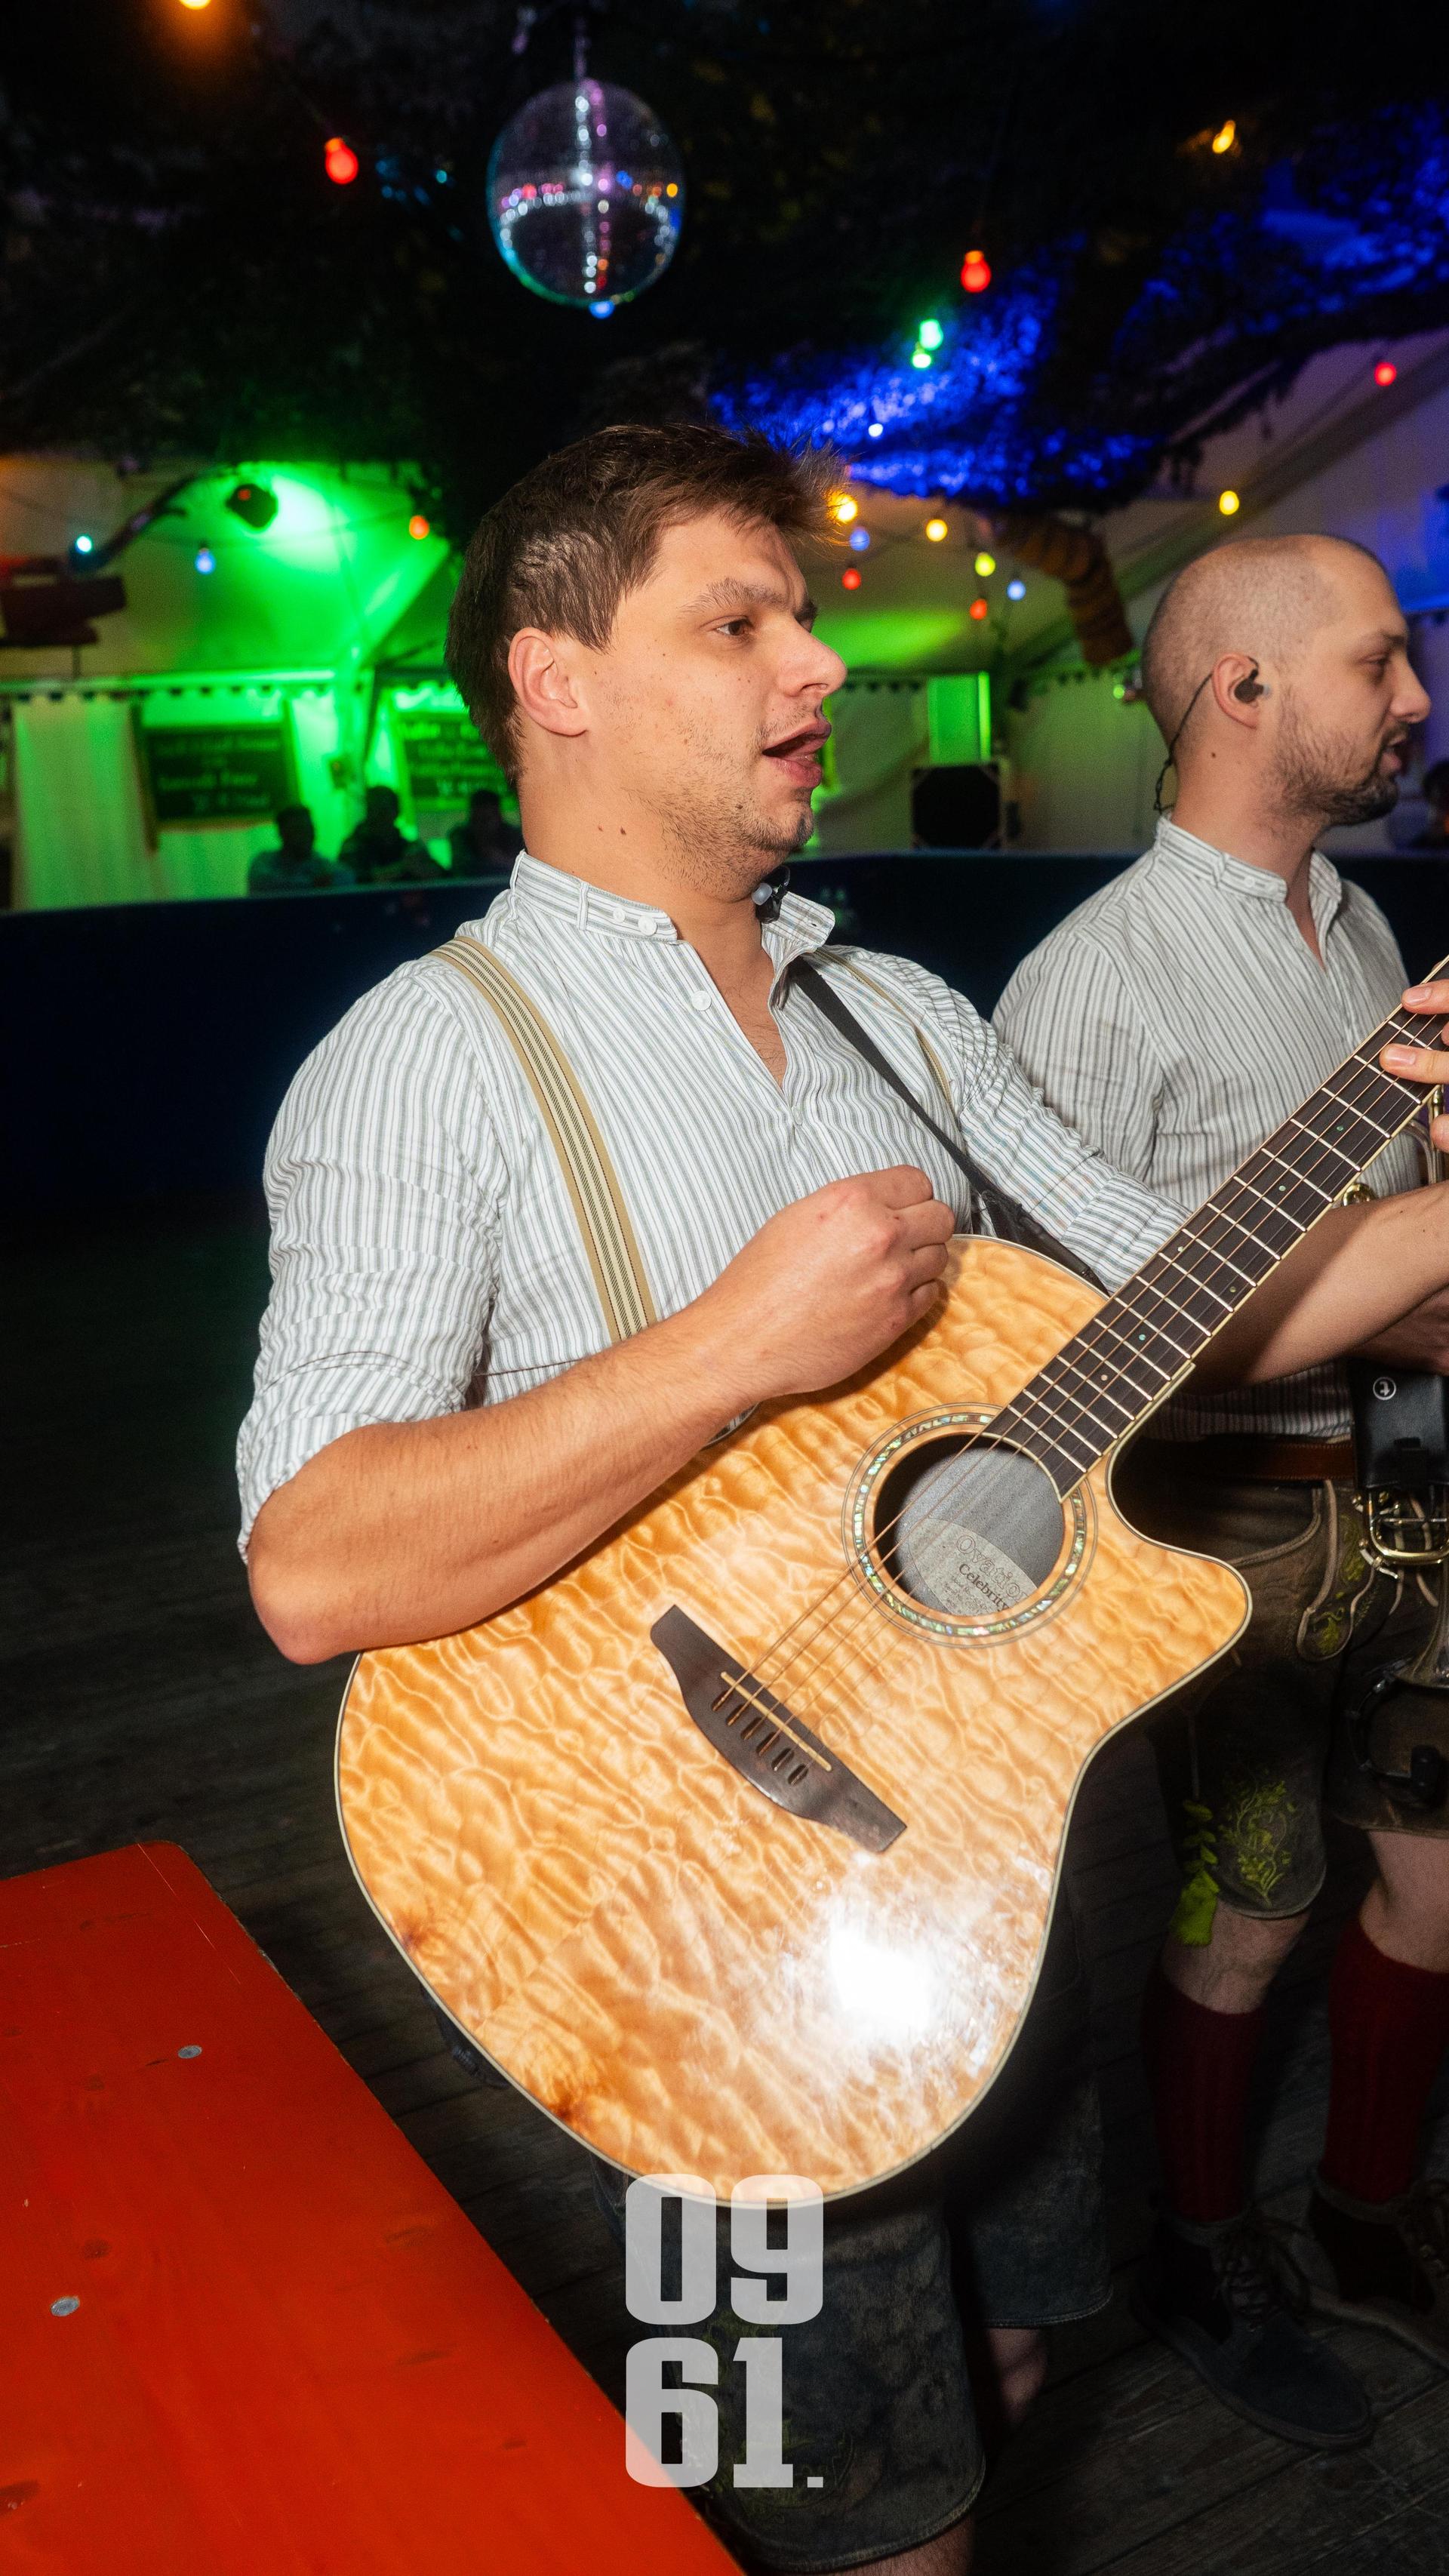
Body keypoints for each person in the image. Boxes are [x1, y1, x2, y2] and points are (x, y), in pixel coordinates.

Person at [238, 429, 1449, 2575]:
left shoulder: (891, 1006)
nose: (820, 667)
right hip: (674, 1937)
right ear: (559, 680)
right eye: (742, 620)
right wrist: (729, 1343)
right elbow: (316, 1561)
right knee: (823, 2514)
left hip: (982, 1867)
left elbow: (1196, 1297)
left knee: (997, 2376)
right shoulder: (423, 1056)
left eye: (804, 616)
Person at [994, 533, 1449, 2452]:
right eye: (1380, 660)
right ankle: (1200, 2241)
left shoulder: (1346, 920)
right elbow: (1056, 1355)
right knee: (1248, 1908)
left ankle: (1355, 2209)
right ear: (1242, 689)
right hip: (1227, 1527)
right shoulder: (1081, 986)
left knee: (1433, 1875)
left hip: (1413, 1483)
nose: (1415, 697)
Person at [340, 783, 446, 885]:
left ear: (396, 812)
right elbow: (351, 881)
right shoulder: (353, 847)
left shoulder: (409, 848)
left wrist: (424, 870)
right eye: (372, 810)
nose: (376, 816)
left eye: (383, 811)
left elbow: (446, 878)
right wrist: (402, 867)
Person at [246, 804, 352, 895]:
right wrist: (312, 884)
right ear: (282, 833)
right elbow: (262, 884)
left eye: (309, 828)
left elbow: (346, 878)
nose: (307, 835)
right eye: (298, 829)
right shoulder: (264, 862)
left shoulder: (322, 865)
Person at [448, 783, 518, 874]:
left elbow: (518, 868)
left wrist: (500, 859)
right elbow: (461, 870)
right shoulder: (460, 837)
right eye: (478, 820)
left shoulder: (514, 836)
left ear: (499, 816)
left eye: (488, 819)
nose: (484, 826)